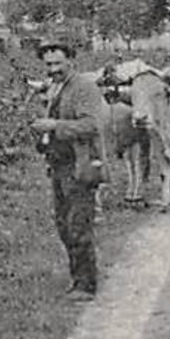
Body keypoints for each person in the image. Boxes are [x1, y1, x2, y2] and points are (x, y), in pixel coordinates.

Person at [30, 38, 110, 299]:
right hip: (59, 166)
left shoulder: (83, 87)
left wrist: (54, 126)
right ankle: (79, 277)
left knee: (78, 224)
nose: (52, 68)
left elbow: (91, 125)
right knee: (63, 225)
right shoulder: (56, 88)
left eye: (57, 63)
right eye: (48, 64)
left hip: (80, 164)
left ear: (70, 61)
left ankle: (86, 285)